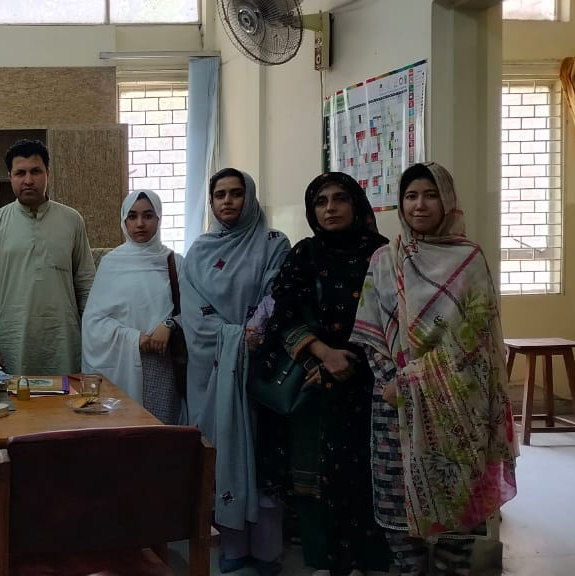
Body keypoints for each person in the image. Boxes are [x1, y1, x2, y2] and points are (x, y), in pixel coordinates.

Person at [350, 163, 517, 576]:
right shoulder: (384, 260)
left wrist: (416, 378)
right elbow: (371, 334)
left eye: (430, 195)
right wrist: (394, 382)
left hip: (458, 407)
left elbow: (477, 337)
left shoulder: (470, 259)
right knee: (398, 507)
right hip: (394, 406)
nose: (419, 205)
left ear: (447, 201)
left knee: (458, 504)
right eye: (411, 196)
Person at [255, 173, 391, 575]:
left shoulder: (382, 254)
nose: (330, 208)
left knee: (370, 474)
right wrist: (322, 355)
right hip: (313, 383)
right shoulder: (305, 254)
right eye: (321, 202)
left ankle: (370, 561)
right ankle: (323, 561)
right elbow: (283, 315)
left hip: (372, 386)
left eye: (339, 199)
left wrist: (352, 362)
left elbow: (395, 318)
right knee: (312, 478)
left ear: (357, 205)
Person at [181, 168, 290, 574]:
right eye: (219, 194)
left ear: (250, 197)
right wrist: (233, 337)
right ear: (210, 202)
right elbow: (193, 312)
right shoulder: (199, 251)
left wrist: (251, 334)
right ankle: (232, 544)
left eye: (236, 193)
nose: (227, 201)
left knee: (262, 455)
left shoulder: (273, 243)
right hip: (212, 369)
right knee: (221, 448)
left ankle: (267, 549)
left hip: (258, 367)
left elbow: (276, 295)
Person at [0, 139, 96, 375]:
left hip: (64, 340)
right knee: (15, 398)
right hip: (12, 341)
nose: (28, 180)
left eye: (36, 171)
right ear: (10, 176)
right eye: (20, 173)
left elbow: (86, 284)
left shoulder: (72, 220)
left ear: (48, 173)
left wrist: (93, 335)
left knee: (65, 397)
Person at [81, 190, 183, 424]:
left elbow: (194, 312)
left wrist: (169, 324)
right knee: (122, 432)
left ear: (158, 218)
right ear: (124, 221)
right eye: (132, 216)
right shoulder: (110, 264)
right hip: (121, 366)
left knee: (159, 432)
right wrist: (133, 338)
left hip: (162, 367)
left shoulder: (176, 263)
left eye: (148, 216)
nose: (140, 224)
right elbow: (93, 322)